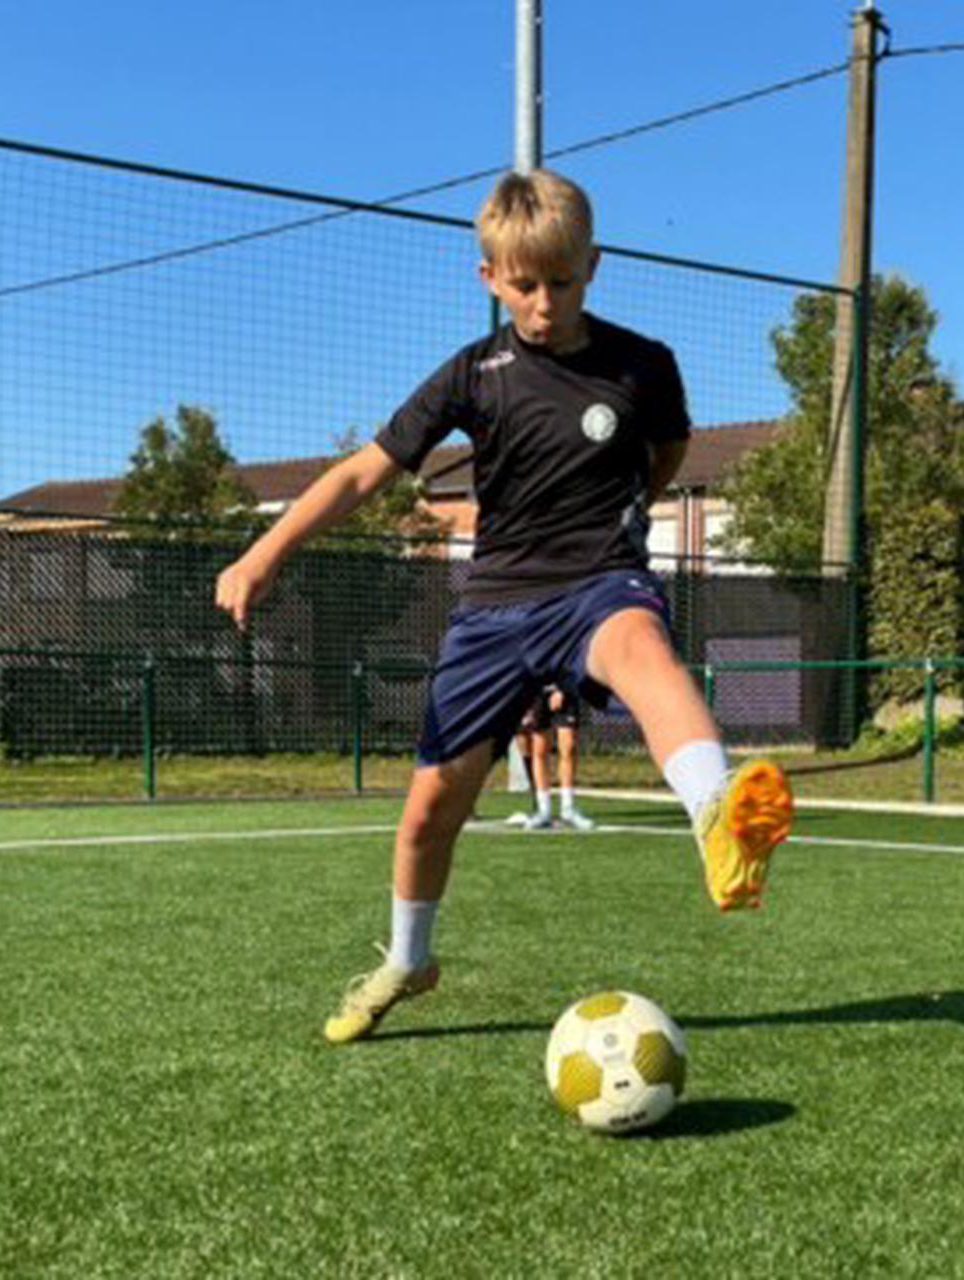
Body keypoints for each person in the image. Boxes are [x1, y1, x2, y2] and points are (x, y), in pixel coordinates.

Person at [215, 168, 793, 1046]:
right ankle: (408, 961)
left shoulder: (645, 365)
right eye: (524, 284)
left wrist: (620, 515)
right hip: (492, 608)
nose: (545, 301)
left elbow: (667, 452)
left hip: (598, 579)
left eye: (562, 280)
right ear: (489, 277)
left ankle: (718, 813)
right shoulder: (472, 376)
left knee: (641, 648)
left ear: (593, 265)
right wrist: (263, 553)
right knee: (427, 814)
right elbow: (363, 472)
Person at [515, 683, 595, 831]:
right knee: (539, 749)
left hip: (565, 692)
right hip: (538, 693)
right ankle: (543, 809)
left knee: (569, 746)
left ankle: (568, 808)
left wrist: (563, 690)